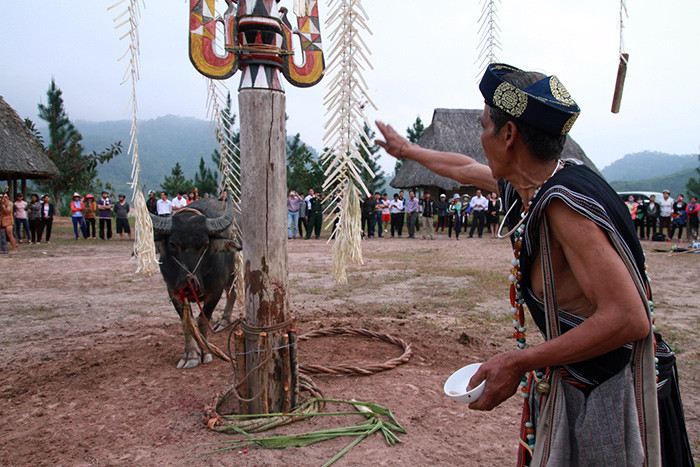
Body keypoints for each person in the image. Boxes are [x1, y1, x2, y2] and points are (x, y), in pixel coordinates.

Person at [376, 62, 692, 465]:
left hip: (615, 395)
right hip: (585, 382)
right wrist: (405, 150)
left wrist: (519, 361)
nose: (480, 137)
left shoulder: (563, 207)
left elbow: (629, 318)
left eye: (484, 125)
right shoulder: (537, 185)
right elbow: (463, 168)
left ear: (508, 135)